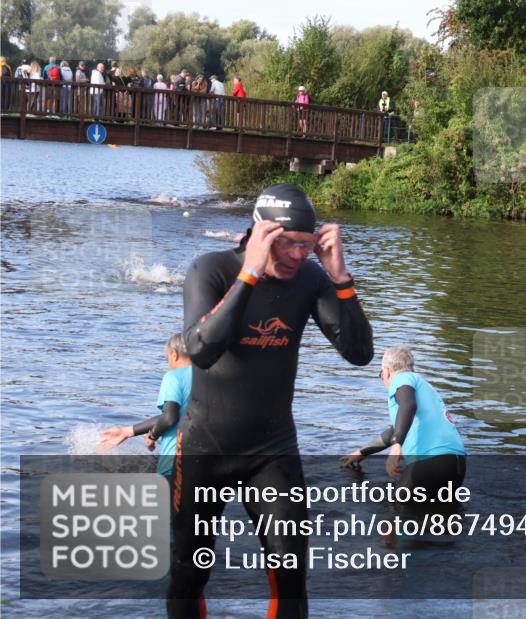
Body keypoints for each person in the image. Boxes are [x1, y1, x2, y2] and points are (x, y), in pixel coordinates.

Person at [168, 183, 373, 618]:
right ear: (259, 233)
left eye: (306, 244)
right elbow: (202, 350)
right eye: (287, 244)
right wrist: (250, 274)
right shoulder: (212, 270)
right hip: (206, 449)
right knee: (189, 574)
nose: (299, 256)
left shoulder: (311, 280)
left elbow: (359, 354)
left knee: (292, 577)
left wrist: (340, 278)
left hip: (272, 452)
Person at [341, 347, 466, 498]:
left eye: (381, 374)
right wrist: (362, 452)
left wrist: (396, 446)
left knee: (397, 513)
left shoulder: (401, 378)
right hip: (457, 465)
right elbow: (396, 429)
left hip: (430, 462)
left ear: (387, 371)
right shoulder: (424, 387)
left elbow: (408, 406)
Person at [99, 334, 193, 481]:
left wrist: (152, 435)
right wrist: (127, 431)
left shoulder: (174, 377)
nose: (168, 363)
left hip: (176, 461)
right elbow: (177, 415)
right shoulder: (209, 377)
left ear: (174, 354)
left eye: (167, 357)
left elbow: (169, 418)